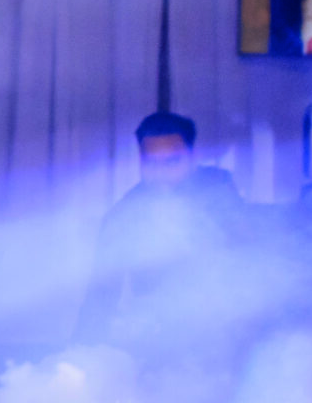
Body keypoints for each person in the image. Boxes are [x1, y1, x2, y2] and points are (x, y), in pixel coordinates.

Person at [74, 112, 245, 350]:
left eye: (172, 161)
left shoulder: (220, 193)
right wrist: (80, 356)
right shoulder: (124, 217)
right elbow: (101, 296)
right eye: (152, 162)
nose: (162, 172)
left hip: (226, 337)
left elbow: (248, 264)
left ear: (192, 157)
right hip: (158, 342)